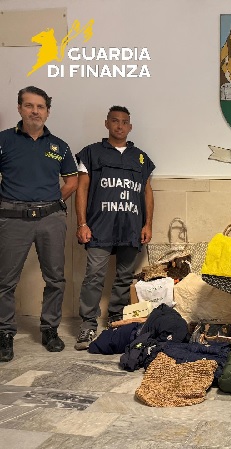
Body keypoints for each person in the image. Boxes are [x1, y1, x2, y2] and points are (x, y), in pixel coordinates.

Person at [0, 86, 78, 362]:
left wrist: (52, 201)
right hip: (12, 219)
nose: (35, 111)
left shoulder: (60, 146)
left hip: (50, 219)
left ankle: (50, 330)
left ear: (47, 111)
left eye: (40, 107)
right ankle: (4, 334)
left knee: (55, 278)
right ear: (19, 108)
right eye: (29, 106)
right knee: (5, 281)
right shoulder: (4, 140)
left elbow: (72, 181)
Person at [74, 106, 155, 350]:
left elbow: (147, 192)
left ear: (130, 127)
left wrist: (147, 224)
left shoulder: (141, 158)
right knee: (94, 276)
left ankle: (116, 318)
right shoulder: (91, 153)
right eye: (115, 121)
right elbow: (81, 189)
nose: (120, 126)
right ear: (107, 123)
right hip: (99, 226)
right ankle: (88, 324)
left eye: (124, 122)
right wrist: (82, 223)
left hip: (131, 228)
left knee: (124, 276)